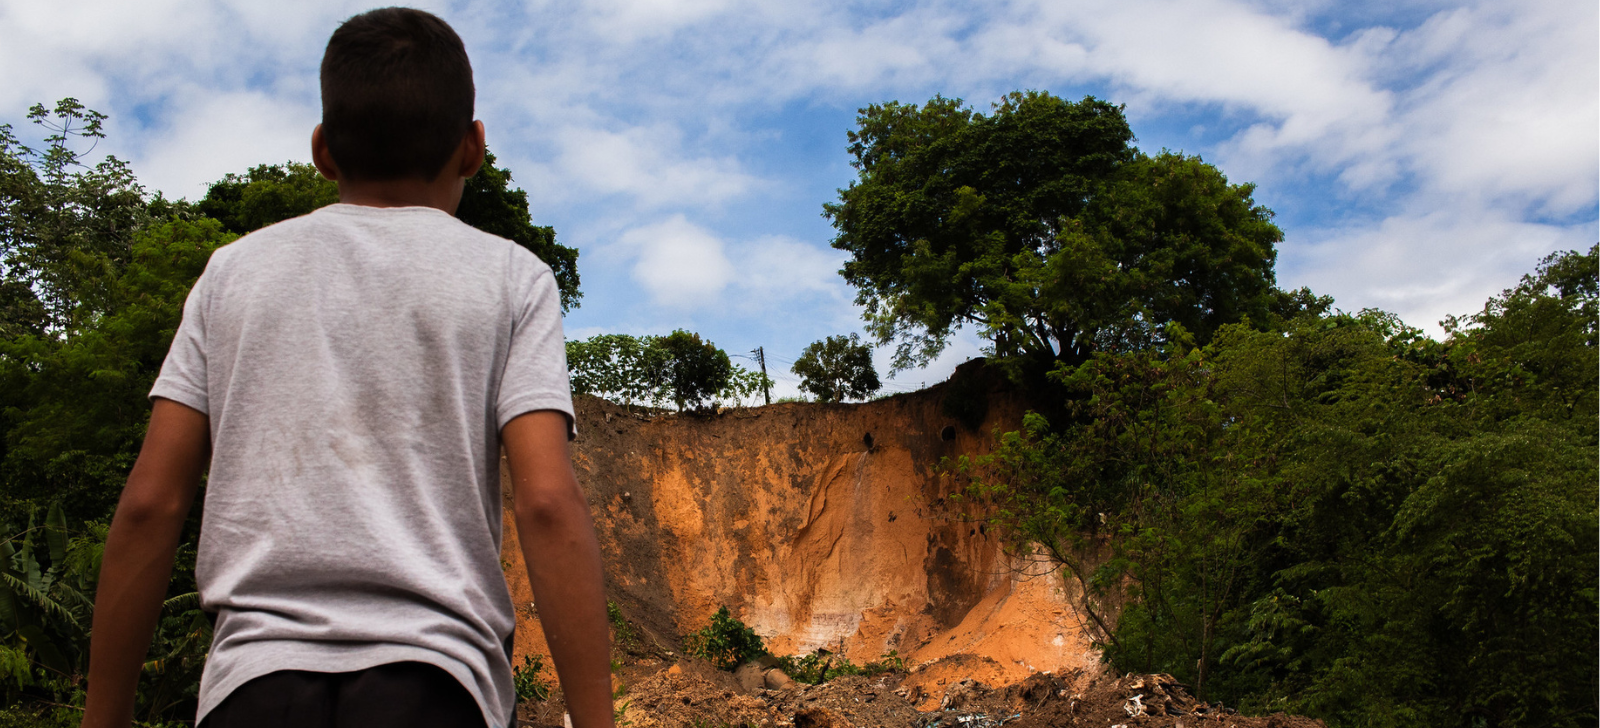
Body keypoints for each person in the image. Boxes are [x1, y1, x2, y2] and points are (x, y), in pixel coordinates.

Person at [79, 8, 614, 728]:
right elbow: (547, 504)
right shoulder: (512, 279)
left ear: (324, 151)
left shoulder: (232, 274)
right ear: (473, 147)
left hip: (252, 691)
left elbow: (151, 504)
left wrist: (102, 716)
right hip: (438, 686)